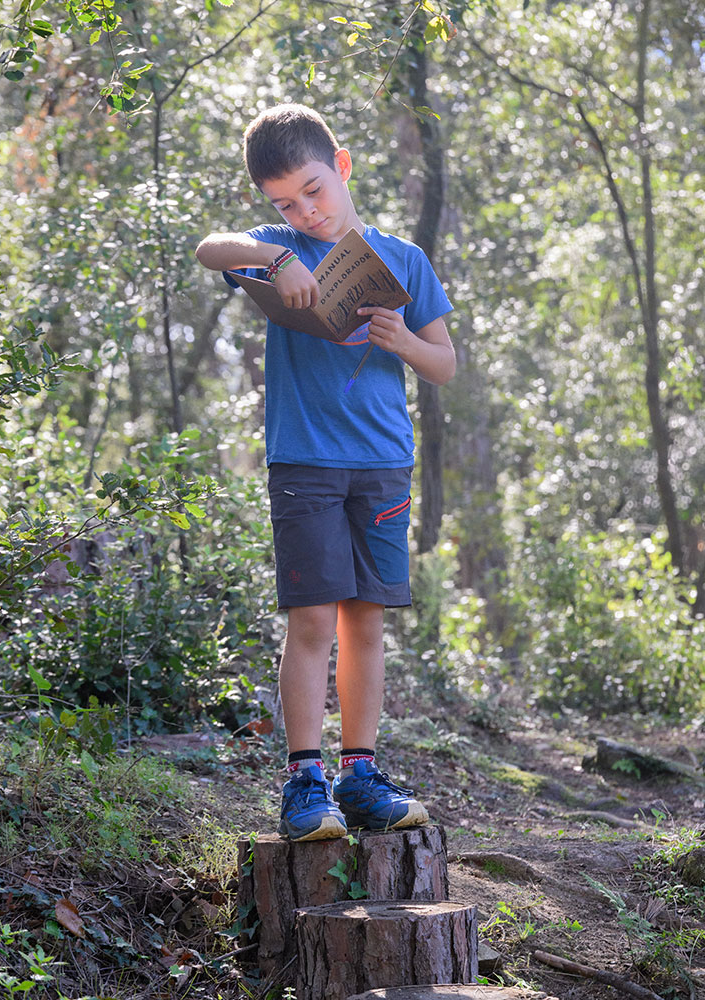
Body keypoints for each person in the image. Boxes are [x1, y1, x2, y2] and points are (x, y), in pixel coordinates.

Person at [195, 104, 456, 841]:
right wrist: (276, 259)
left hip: (382, 465)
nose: (304, 210)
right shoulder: (276, 246)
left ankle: (361, 775)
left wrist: (403, 339)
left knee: (365, 621)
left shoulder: (402, 259)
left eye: (313, 190)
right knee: (312, 618)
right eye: (284, 202)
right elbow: (210, 247)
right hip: (304, 461)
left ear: (341, 166)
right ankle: (305, 780)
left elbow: (445, 364)